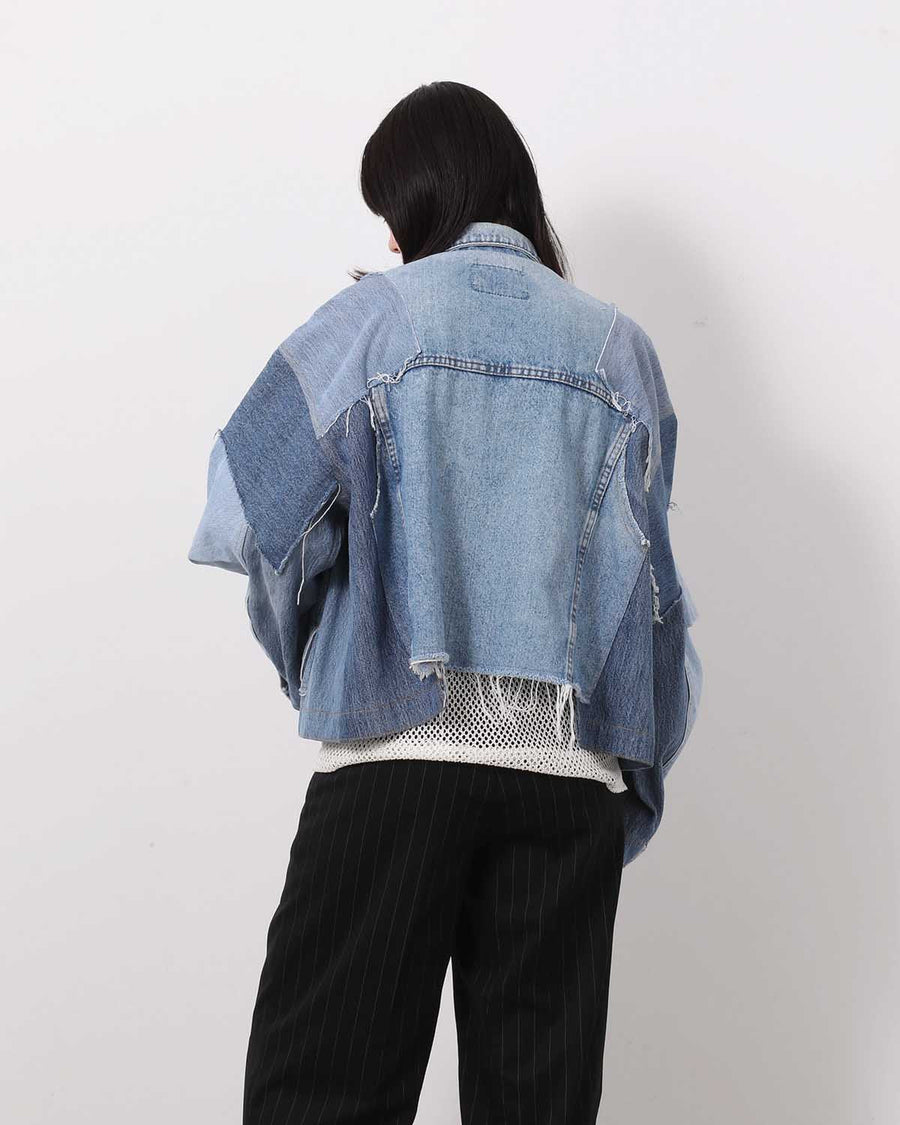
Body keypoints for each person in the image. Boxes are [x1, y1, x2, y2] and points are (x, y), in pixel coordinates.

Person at [189, 80, 702, 1125]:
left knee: (318, 1099)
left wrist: (320, 661)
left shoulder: (375, 321)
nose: (387, 236)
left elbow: (246, 508)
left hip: (398, 764)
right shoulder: (620, 351)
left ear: (422, 198)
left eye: (390, 209)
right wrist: (628, 780)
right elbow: (654, 604)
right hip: (568, 783)